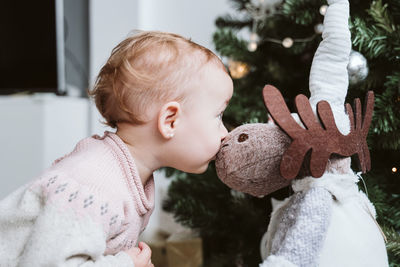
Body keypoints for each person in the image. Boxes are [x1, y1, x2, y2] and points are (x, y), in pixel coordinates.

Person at [0, 31, 233, 266]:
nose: (225, 133)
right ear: (170, 120)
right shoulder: (94, 185)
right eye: (218, 116)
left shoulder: (128, 175)